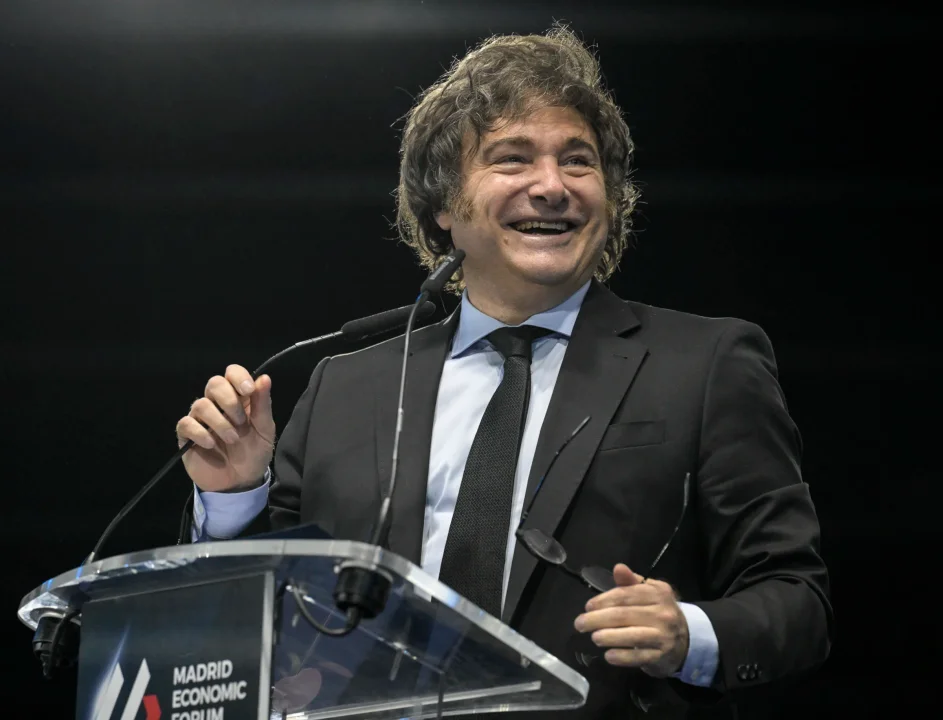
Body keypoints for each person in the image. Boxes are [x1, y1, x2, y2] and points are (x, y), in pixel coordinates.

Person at [175, 26, 832, 719]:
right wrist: (234, 497)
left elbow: (797, 601)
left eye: (577, 161)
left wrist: (687, 635)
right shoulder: (345, 387)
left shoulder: (705, 363)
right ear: (443, 206)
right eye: (512, 159)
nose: (551, 186)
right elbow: (265, 616)